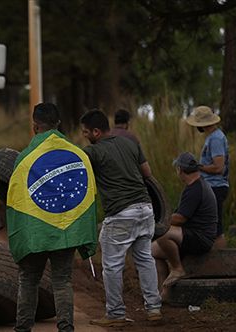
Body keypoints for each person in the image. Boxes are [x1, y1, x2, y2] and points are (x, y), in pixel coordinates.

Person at [6, 103, 98, 332]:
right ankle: (66, 328)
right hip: (66, 231)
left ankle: (23, 328)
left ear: (35, 125)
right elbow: (88, 196)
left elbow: (15, 202)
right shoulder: (79, 154)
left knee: (28, 279)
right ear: (58, 124)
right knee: (62, 280)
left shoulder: (25, 158)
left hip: (35, 232)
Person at [80, 110, 162, 327]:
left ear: (96, 132)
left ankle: (115, 313)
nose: (84, 135)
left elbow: (74, 172)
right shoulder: (130, 143)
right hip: (145, 210)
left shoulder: (93, 152)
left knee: (112, 266)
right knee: (145, 260)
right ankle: (154, 309)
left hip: (120, 215)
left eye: (86, 132)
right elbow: (147, 173)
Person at [152, 152, 217, 297]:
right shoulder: (196, 185)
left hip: (201, 238)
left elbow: (181, 218)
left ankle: (177, 268)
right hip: (193, 234)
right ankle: (163, 294)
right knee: (153, 251)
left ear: (180, 170)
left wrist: (159, 220)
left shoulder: (195, 188)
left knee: (163, 231)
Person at [186, 106, 229, 249]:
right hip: (212, 186)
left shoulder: (216, 138)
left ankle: (220, 263)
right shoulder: (212, 137)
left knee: (216, 229)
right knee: (212, 226)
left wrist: (198, 167)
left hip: (216, 187)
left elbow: (218, 167)